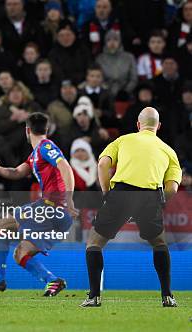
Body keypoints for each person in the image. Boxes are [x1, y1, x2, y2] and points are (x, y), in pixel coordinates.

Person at [81, 107, 181, 307]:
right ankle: (167, 296)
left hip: (121, 192)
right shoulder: (169, 151)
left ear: (138, 125)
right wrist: (157, 201)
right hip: (150, 195)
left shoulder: (123, 140)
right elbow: (173, 188)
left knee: (94, 243)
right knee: (159, 244)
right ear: (158, 127)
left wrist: (107, 193)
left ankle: (94, 296)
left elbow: (102, 165)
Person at [0, 112, 78, 297]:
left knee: (6, 230)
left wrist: (69, 199)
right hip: (46, 208)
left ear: (27, 130)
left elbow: (65, 167)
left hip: (53, 209)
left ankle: (0, 279)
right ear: (46, 129)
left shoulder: (46, 147)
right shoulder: (36, 154)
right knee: (18, 250)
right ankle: (51, 281)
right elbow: (16, 172)